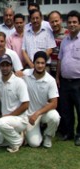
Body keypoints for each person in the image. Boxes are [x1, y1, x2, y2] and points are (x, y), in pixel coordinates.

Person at [0, 55, 29, 153]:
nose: (5, 68)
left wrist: (9, 115)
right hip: (5, 121)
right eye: (2, 65)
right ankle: (17, 138)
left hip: (20, 120)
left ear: (11, 66)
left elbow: (26, 105)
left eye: (7, 65)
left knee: (1, 122)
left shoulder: (19, 82)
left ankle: (17, 141)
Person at [23, 51, 60, 148]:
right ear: (33, 63)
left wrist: (37, 113)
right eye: (37, 63)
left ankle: (47, 135)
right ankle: (30, 132)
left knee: (55, 117)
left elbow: (54, 103)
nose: (40, 65)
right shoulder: (26, 74)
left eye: (42, 63)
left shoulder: (50, 80)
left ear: (45, 64)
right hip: (29, 115)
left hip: (42, 113)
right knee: (34, 144)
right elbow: (15, 76)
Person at [56, 10, 80, 145]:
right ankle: (68, 133)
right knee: (66, 110)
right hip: (65, 81)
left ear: (79, 23)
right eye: (69, 22)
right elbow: (60, 60)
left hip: (78, 81)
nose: (72, 25)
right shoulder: (64, 41)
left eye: (75, 22)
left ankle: (79, 134)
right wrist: (58, 77)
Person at [48, 11, 69, 78]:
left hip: (64, 71)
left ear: (61, 20)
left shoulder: (68, 34)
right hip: (50, 70)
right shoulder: (48, 35)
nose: (55, 24)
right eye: (52, 22)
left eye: (56, 21)